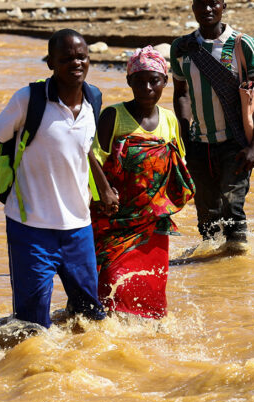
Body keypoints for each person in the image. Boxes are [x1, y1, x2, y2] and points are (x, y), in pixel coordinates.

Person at [0, 29, 118, 329]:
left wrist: (106, 189)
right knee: (31, 328)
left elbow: (84, 149)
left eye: (82, 57)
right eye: (66, 58)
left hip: (79, 228)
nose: (76, 63)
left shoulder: (93, 100)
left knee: (91, 319)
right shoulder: (28, 100)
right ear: (51, 63)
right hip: (30, 230)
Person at [90, 46, 195, 319]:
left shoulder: (170, 120)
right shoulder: (113, 116)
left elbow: (176, 166)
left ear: (165, 82)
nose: (147, 87)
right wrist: (100, 197)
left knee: (150, 288)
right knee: (111, 281)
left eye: (154, 80)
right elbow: (92, 162)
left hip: (153, 223)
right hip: (113, 219)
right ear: (129, 82)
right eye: (140, 80)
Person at [171, 0, 254, 253]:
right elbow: (180, 93)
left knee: (233, 205)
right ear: (193, 7)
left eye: (213, 3)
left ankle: (236, 260)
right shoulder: (182, 47)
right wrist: (185, 140)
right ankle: (212, 268)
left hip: (235, 142)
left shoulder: (241, 44)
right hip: (198, 145)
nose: (207, 9)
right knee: (206, 212)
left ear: (223, 6)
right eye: (201, 3)